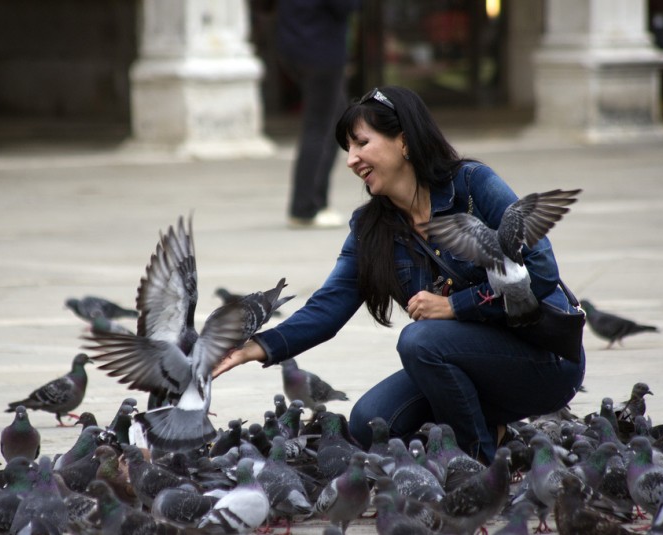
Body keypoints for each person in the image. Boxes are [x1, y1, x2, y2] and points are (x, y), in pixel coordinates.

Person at [214, 86, 585, 463]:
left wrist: (456, 306)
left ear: (404, 141)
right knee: (370, 422)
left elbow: (541, 273)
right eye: (347, 150)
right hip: (467, 361)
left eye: (361, 143)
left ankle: (476, 464)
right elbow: (328, 307)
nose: (351, 160)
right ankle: (490, 428)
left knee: (419, 340)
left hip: (544, 357)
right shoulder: (371, 227)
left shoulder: (473, 185)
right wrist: (253, 348)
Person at [275, 0, 360, 229]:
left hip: (297, 46)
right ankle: (304, 208)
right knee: (321, 126)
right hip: (321, 51)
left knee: (338, 119)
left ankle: (318, 202)